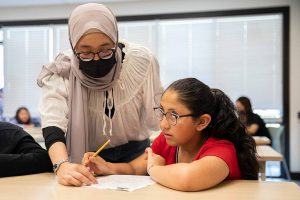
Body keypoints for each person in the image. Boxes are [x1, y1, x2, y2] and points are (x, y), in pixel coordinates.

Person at [37, 3, 162, 186]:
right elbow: (53, 123)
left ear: (115, 38)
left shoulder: (142, 61)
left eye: (105, 50)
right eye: (85, 52)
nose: (96, 58)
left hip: (137, 155)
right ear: (74, 47)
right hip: (88, 159)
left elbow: (158, 117)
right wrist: (62, 165)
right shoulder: (63, 69)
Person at [83, 78, 259, 191]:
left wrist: (154, 168)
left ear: (202, 122)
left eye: (173, 116)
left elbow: (187, 179)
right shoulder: (167, 140)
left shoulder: (222, 149)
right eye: (162, 112)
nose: (163, 124)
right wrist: (107, 167)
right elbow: (135, 168)